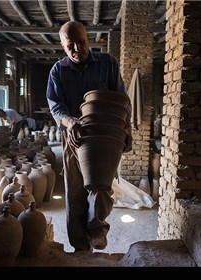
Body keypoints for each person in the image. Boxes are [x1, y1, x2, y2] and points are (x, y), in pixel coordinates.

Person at [46, 21, 132, 252]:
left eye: (81, 42)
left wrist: (128, 129)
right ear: (63, 46)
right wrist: (69, 121)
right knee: (74, 193)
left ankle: (97, 231)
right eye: (69, 45)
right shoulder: (58, 71)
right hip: (75, 137)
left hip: (104, 135)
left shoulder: (107, 64)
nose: (76, 49)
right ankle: (80, 247)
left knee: (101, 186)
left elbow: (123, 100)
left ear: (89, 39)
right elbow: (56, 107)